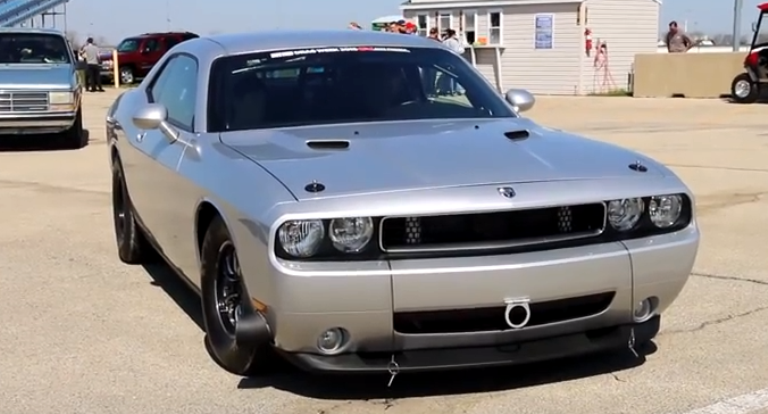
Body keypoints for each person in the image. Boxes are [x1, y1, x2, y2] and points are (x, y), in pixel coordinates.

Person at [440, 29, 465, 95]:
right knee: (456, 75)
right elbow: (458, 51)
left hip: (446, 60)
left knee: (446, 75)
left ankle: (445, 89)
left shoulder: (444, 42)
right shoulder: (454, 42)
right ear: (453, 34)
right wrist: (460, 44)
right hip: (454, 60)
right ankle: (457, 89)